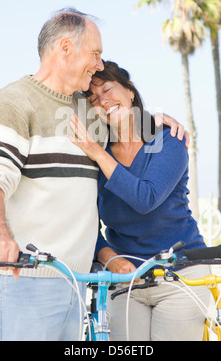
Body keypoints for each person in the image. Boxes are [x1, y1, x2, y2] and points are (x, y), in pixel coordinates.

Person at [0, 9, 186, 341]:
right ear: (66, 48)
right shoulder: (14, 103)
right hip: (26, 281)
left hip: (77, 283)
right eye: (95, 53)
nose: (100, 64)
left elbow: (124, 116)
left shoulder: (86, 111)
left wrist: (158, 117)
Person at [69, 60, 210, 341]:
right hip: (125, 279)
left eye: (108, 89)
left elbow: (146, 198)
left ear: (130, 90)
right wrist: (109, 258)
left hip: (181, 273)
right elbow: (85, 222)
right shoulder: (95, 156)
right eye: (93, 98)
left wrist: (98, 154)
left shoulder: (168, 139)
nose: (103, 100)